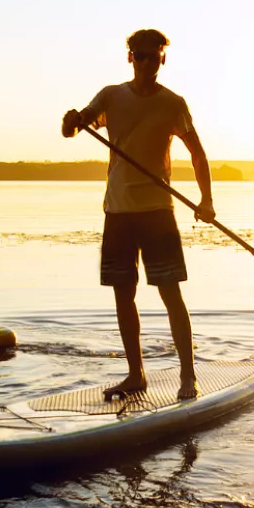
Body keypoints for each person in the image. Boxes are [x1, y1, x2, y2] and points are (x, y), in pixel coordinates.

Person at [62, 29, 216, 400]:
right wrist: (70, 120)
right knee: (122, 294)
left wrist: (206, 199)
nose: (148, 62)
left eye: (154, 55)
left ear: (163, 58)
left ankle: (187, 377)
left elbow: (197, 152)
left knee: (170, 293)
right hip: (118, 211)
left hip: (157, 212)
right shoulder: (111, 96)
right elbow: (72, 129)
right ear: (130, 57)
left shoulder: (173, 104)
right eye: (141, 55)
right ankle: (136, 374)